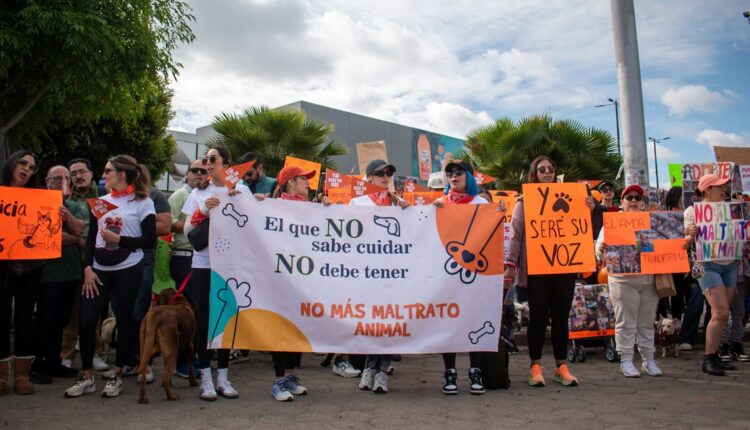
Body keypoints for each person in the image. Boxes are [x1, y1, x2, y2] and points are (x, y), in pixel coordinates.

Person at [64, 155, 156, 398]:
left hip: (129, 267)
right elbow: (92, 239)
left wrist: (120, 240)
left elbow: (149, 240)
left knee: (125, 321)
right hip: (98, 269)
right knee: (87, 321)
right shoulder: (101, 201)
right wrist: (87, 268)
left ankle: (116, 373)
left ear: (122, 174)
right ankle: (86, 376)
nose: (103, 176)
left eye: (108, 171)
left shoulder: (143, 202)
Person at [506, 156, 592, 387]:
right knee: (538, 318)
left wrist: (588, 208)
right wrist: (511, 265)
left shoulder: (574, 198)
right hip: (537, 267)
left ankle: (561, 366)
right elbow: (515, 235)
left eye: (551, 169)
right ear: (534, 173)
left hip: (564, 266)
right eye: (542, 169)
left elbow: (581, 229)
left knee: (561, 317)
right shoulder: (524, 202)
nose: (547, 172)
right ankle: (535, 366)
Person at [256, 165, 329, 401]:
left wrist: (327, 209)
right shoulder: (272, 205)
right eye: (303, 180)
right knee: (281, 328)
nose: (308, 183)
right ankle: (278, 381)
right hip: (280, 279)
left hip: (303, 281)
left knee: (298, 328)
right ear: (290, 183)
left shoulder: (310, 209)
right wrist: (256, 202)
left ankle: (290, 376)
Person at [433, 160, 504, 395]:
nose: (454, 176)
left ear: (469, 176)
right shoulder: (440, 203)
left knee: (476, 317)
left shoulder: (482, 204)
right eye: (450, 173)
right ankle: (450, 372)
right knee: (449, 320)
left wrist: (501, 213)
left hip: (477, 275)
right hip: (447, 273)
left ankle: (475, 370)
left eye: (459, 172)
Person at [183, 146, 247, 400]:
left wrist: (258, 203)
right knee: (205, 321)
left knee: (226, 320)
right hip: (203, 264)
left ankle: (223, 376)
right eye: (206, 160)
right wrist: (204, 211)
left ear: (227, 164)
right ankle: (205, 378)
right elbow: (188, 230)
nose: (207, 164)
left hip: (230, 265)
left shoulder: (242, 189)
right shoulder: (200, 192)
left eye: (212, 159)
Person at [350, 159, 408, 394]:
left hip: (391, 273)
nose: (385, 176)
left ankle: (382, 371)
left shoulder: (399, 204)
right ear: (369, 178)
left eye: (389, 172)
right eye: (380, 173)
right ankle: (369, 368)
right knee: (371, 323)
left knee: (388, 323)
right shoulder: (356, 202)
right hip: (366, 272)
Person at [596, 184, 662, 377]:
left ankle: (648, 359)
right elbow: (600, 247)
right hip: (622, 279)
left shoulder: (652, 222)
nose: (633, 201)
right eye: (629, 198)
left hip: (648, 279)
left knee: (646, 322)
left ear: (642, 203)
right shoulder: (613, 222)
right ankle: (626, 360)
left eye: (637, 198)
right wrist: (601, 248)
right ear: (622, 202)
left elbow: (665, 246)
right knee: (625, 322)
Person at [29, 166, 84, 385]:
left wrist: (66, 217)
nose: (61, 182)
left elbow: (80, 230)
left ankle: (54, 361)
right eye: (56, 178)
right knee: (45, 319)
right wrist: (69, 237)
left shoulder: (72, 205)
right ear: (46, 180)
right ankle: (38, 364)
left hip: (70, 273)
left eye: (65, 178)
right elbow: (43, 236)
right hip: (47, 275)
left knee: (61, 320)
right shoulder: (37, 202)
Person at [684, 173, 737, 376]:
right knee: (721, 311)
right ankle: (708, 358)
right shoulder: (692, 211)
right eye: (719, 187)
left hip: (730, 263)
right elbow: (685, 241)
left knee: (722, 314)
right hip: (707, 264)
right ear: (707, 189)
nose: (723, 190)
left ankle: (714, 355)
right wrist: (690, 234)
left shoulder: (730, 209)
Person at [61, 158, 109, 372]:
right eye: (74, 173)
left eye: (82, 172)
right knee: (71, 310)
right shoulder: (64, 198)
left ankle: (96, 352)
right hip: (69, 262)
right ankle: (66, 354)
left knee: (93, 311)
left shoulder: (102, 198)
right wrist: (79, 239)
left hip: (96, 261)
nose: (78, 176)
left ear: (91, 173)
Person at [0, 150, 42, 396]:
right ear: (12, 164)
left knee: (26, 320)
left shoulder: (40, 198)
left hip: (32, 267)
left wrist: (58, 217)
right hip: (2, 267)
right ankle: (3, 376)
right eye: (23, 163)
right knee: (1, 319)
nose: (27, 168)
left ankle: (23, 375)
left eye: (32, 167)